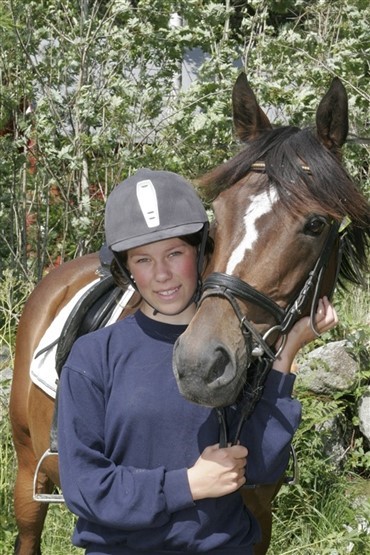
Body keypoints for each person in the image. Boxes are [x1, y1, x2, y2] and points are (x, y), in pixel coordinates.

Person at [57, 168, 338, 555]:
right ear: (126, 269)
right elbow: (85, 488)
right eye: (143, 260)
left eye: (175, 253)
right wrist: (188, 484)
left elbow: (261, 467)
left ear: (200, 251)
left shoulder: (237, 352)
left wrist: (287, 352)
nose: (162, 275)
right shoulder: (92, 357)